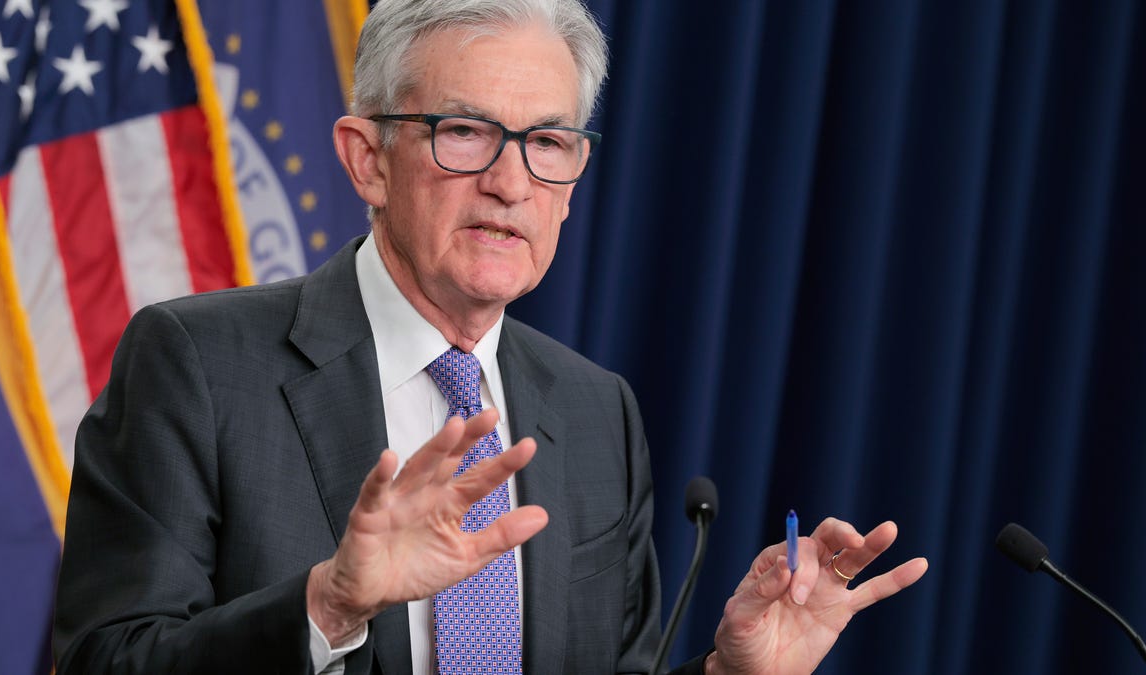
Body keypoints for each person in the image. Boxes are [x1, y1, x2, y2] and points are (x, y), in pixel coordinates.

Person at [52, 0, 929, 672]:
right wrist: (327, 605)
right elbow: (103, 658)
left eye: (548, 141)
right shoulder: (198, 364)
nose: (512, 182)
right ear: (368, 159)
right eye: (465, 132)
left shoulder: (595, 411)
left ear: (575, 173)